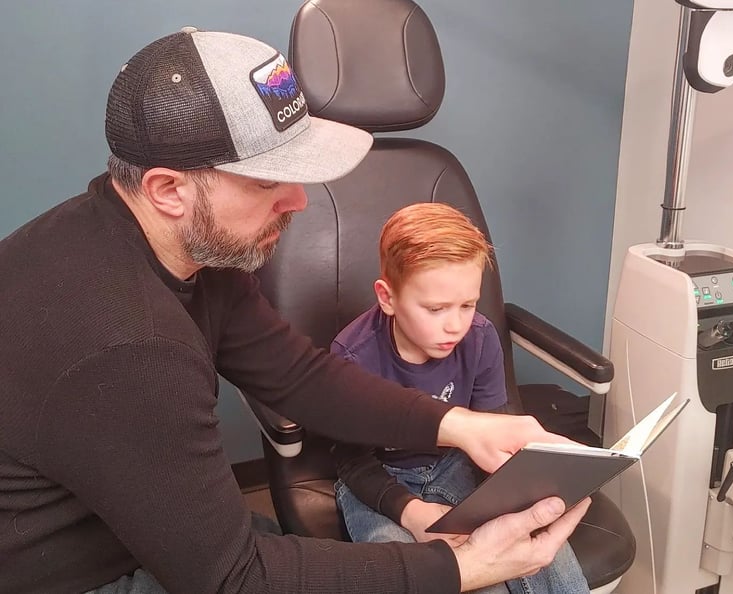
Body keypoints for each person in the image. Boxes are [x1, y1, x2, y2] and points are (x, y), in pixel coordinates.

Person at [0, 28, 589, 594]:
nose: (300, 200)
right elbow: (235, 580)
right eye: (267, 182)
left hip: (131, 525)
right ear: (169, 189)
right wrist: (461, 565)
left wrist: (461, 424)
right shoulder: (128, 345)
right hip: (74, 574)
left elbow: (302, 378)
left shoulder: (183, 255)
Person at [331, 203, 590, 594]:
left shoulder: (481, 338)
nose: (455, 325)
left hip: (457, 462)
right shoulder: (353, 356)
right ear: (388, 297)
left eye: (467, 305)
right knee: (409, 574)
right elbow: (352, 462)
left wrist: (523, 494)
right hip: (380, 478)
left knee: (538, 544)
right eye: (435, 309)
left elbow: (491, 427)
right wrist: (411, 512)